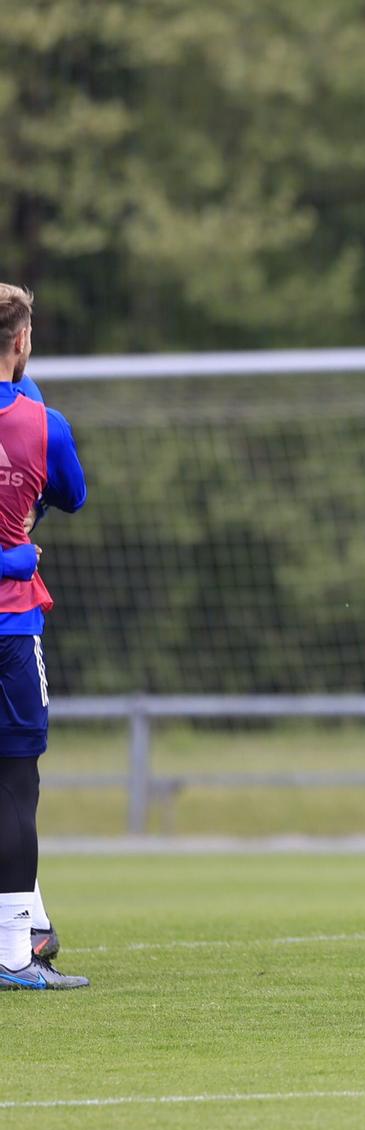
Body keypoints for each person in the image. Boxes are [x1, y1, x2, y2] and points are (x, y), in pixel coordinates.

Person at [0, 283, 89, 989]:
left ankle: (29, 921)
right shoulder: (42, 421)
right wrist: (17, 551)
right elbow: (74, 492)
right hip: (10, 622)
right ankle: (15, 946)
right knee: (16, 781)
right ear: (22, 341)